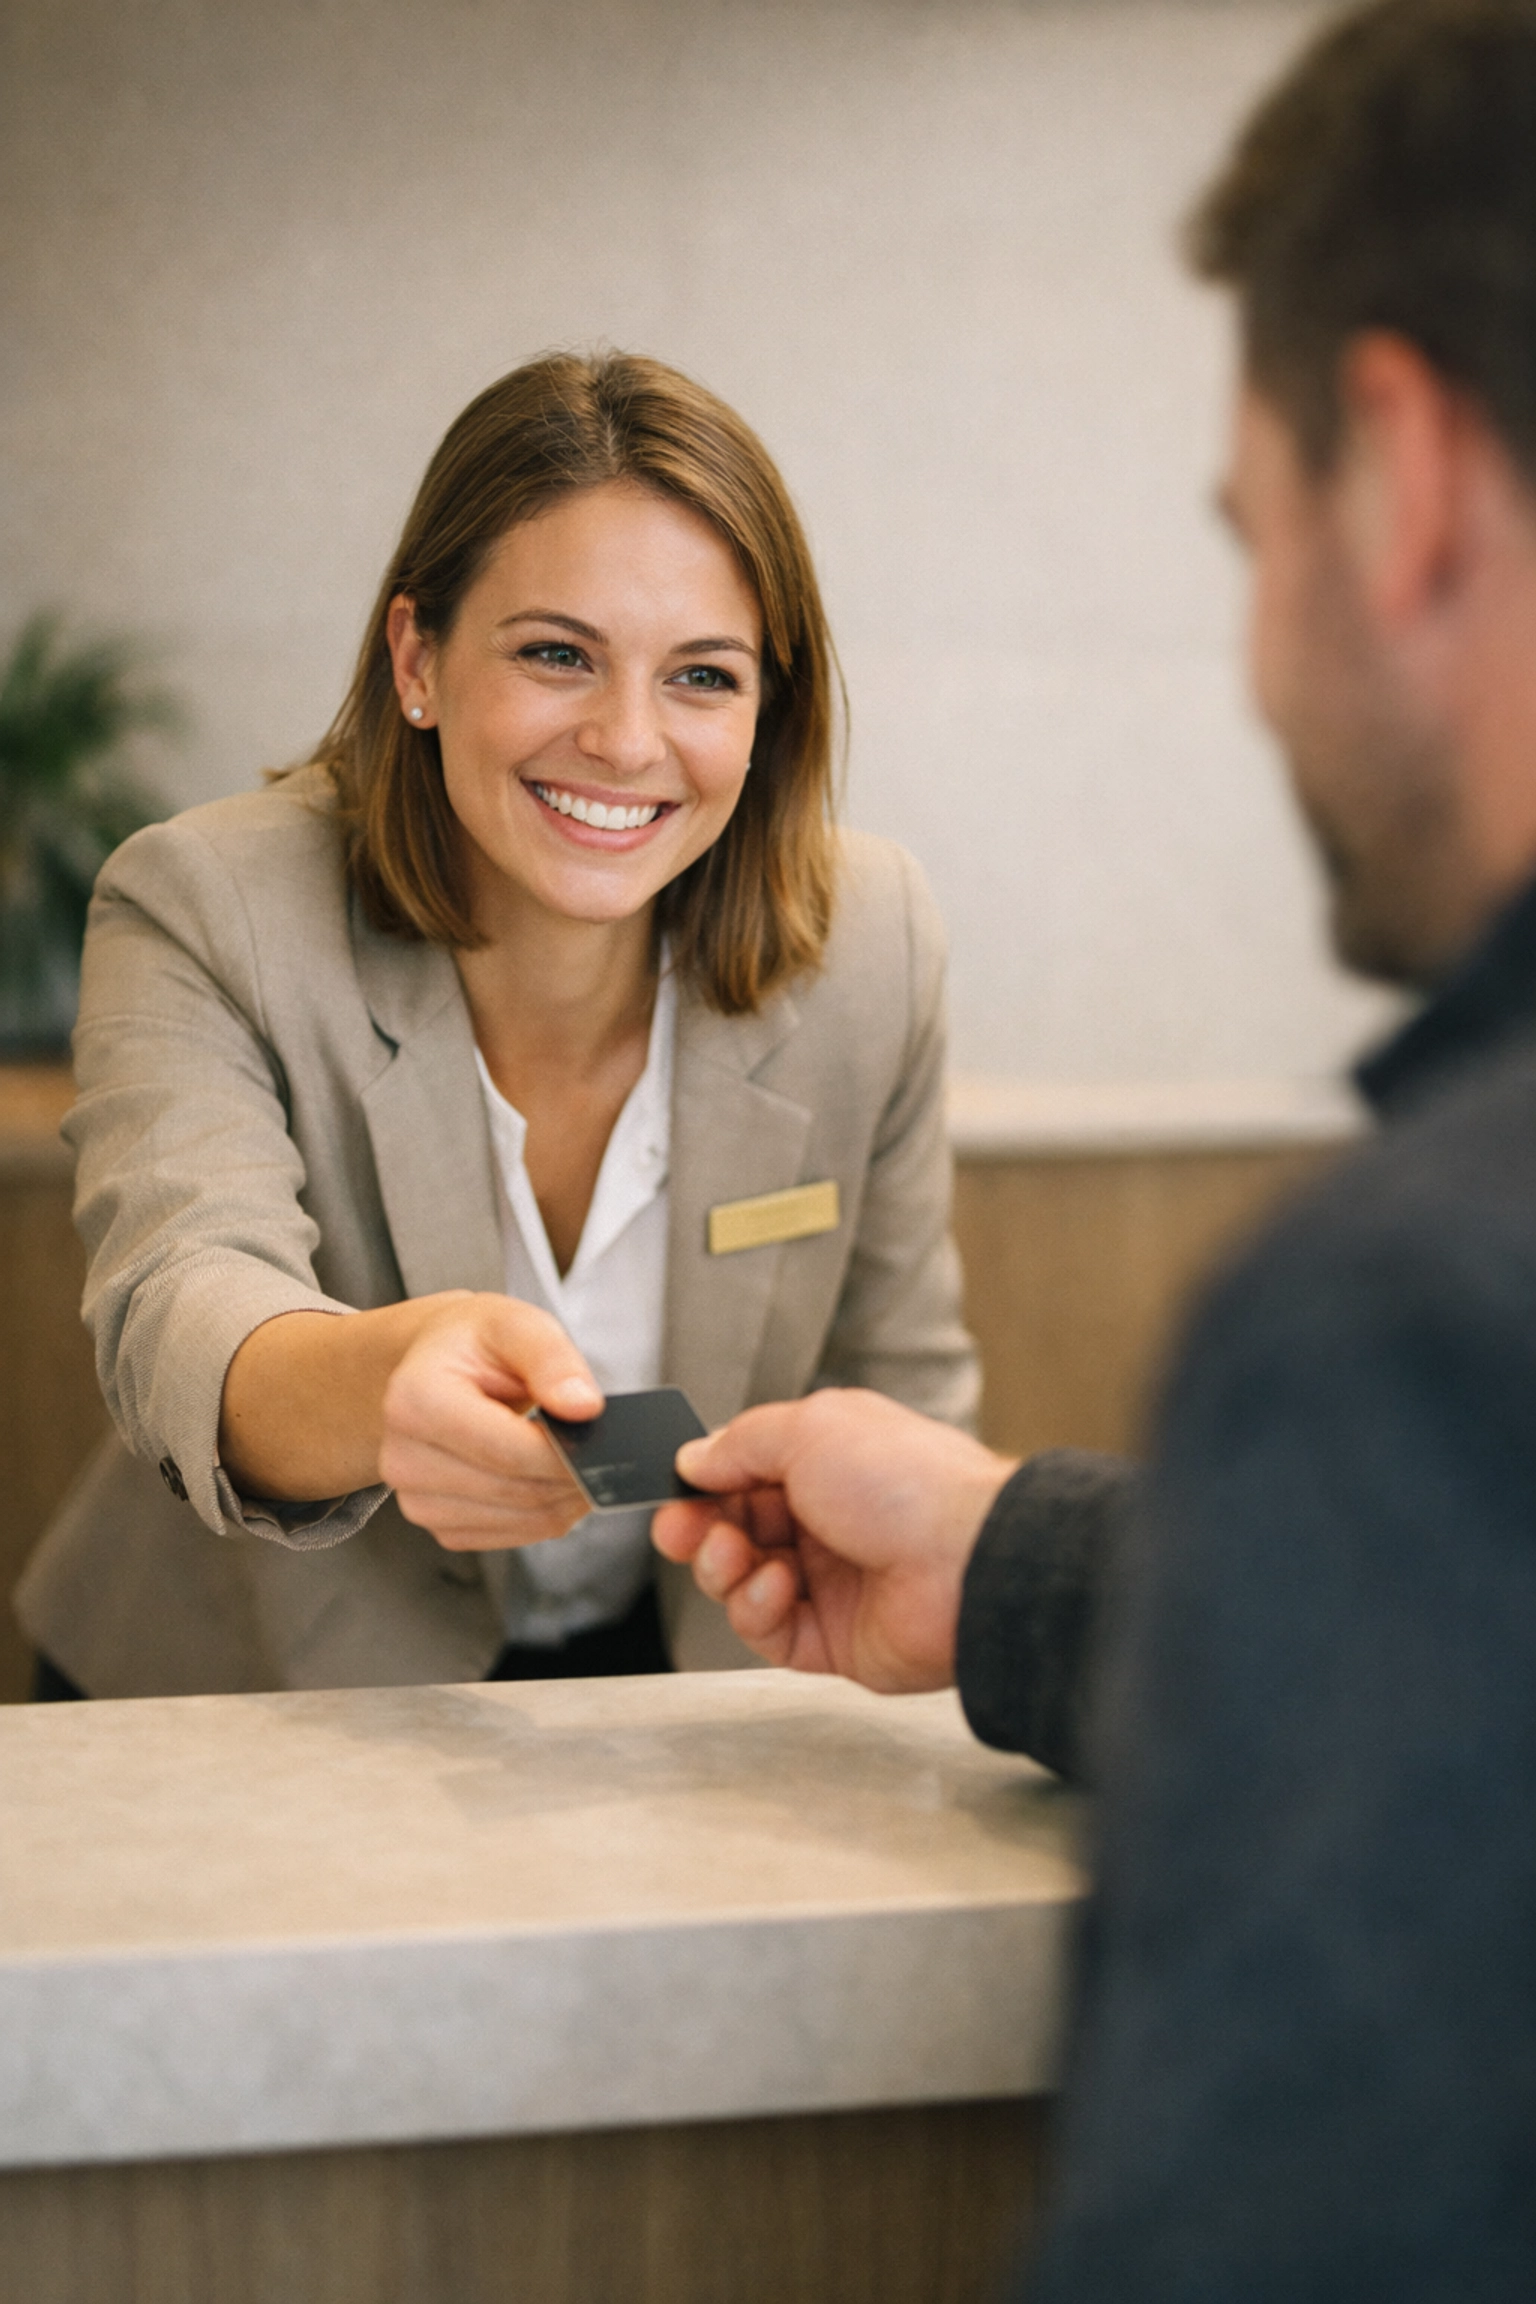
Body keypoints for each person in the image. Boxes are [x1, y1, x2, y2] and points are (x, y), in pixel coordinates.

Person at [655, 2, 1536, 2293]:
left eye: (1255, 539)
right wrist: (1004, 1557)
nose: (1253, 660)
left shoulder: (1409, 1317)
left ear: (1405, 468)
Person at [16, 350, 976, 1699]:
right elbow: (179, 1309)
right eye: (556, 655)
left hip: (685, 1685)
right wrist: (379, 1384)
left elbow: (903, 1386)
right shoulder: (206, 904)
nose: (629, 741)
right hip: (256, 1691)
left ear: (769, 711)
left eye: (702, 677)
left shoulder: (874, 940)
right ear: (418, 657)